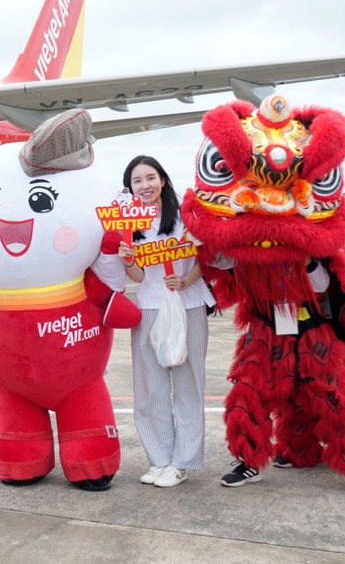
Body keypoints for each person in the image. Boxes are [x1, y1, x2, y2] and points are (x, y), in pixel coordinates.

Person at [117, 155, 215, 488]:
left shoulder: (187, 216)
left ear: (163, 180)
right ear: (129, 188)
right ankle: (159, 459)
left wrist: (186, 281)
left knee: (189, 385)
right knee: (150, 388)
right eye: (136, 181)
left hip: (189, 305)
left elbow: (208, 256)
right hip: (149, 308)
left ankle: (183, 461)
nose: (144, 186)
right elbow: (138, 276)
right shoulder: (130, 224)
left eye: (150, 178)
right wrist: (128, 260)